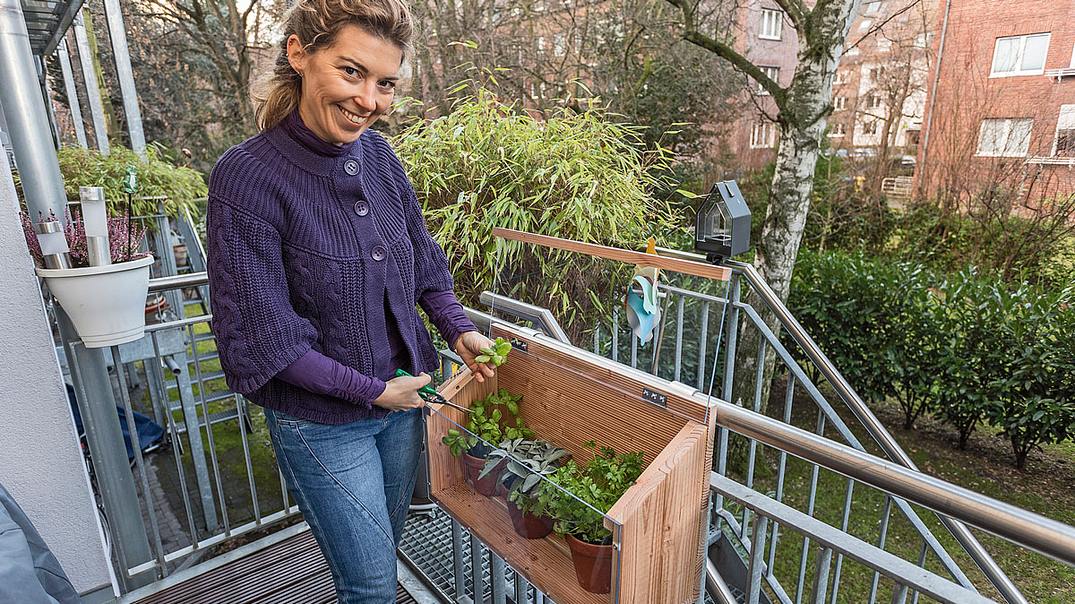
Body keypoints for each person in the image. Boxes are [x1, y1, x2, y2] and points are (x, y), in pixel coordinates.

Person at [205, 1, 495, 601]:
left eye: (385, 83)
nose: (370, 101)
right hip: (322, 423)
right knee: (368, 585)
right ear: (298, 54)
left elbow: (422, 262)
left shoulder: (381, 159)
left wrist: (457, 329)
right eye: (351, 72)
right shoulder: (248, 177)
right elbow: (264, 336)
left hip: (397, 408)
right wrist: (373, 391)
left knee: (382, 556)